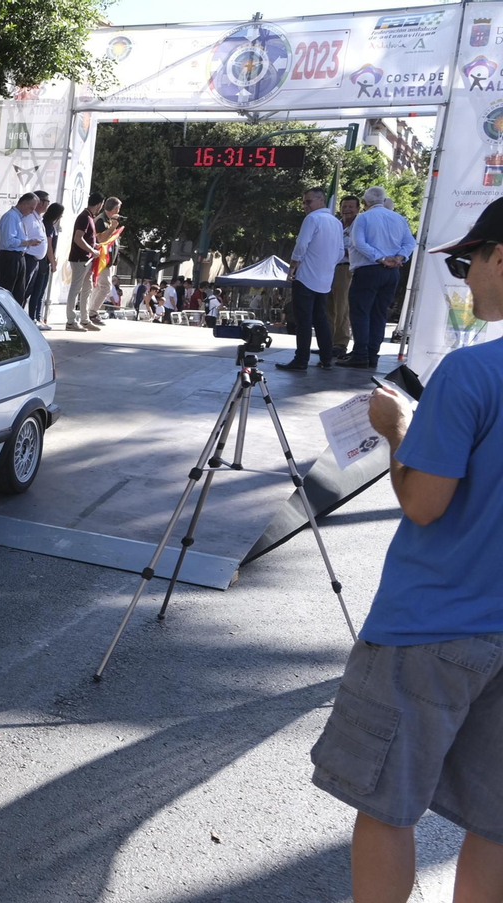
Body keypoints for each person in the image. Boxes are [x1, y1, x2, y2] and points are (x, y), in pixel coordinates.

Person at [309, 197, 503, 903]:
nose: (464, 278)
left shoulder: (470, 373)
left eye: (466, 260)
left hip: (430, 625)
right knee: (496, 824)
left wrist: (397, 428)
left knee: (386, 806)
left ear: (501, 256)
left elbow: (424, 501)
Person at [343, 185, 417, 369]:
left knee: (361, 312)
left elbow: (358, 243)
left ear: (365, 202)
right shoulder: (399, 218)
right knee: (379, 314)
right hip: (392, 272)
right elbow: (410, 242)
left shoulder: (363, 218)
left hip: (368, 269)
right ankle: (372, 355)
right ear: (384, 200)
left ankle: (360, 354)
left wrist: (381, 258)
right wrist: (398, 257)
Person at [278, 186, 344, 371]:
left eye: (308, 202)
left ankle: (301, 360)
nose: (305, 206)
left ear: (321, 200)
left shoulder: (312, 219)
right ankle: (326, 358)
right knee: (321, 319)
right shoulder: (336, 223)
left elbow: (301, 246)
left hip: (306, 277)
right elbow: (340, 252)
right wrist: (327, 266)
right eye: (304, 203)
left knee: (304, 321)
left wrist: (292, 267)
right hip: (324, 279)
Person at [63, 192, 103, 331]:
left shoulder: (89, 217)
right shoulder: (84, 217)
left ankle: (84, 319)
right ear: (99, 204)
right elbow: (78, 238)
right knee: (76, 289)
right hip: (81, 259)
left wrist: (93, 248)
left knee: (87, 289)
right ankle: (71, 321)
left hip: (87, 259)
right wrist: (92, 250)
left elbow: (84, 238)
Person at [83, 197, 125, 328]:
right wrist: (113, 227)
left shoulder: (108, 220)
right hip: (101, 259)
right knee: (105, 287)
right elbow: (101, 239)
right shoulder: (101, 220)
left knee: (100, 287)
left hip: (107, 260)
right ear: (115, 209)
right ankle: (92, 313)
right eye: (118, 208)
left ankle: (91, 312)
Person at [330, 195, 360, 358]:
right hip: (328, 267)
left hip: (346, 268)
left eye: (350, 207)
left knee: (342, 307)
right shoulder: (336, 224)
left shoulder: (359, 226)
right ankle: (327, 342)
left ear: (357, 209)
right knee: (328, 307)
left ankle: (340, 344)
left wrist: (341, 251)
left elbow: (358, 248)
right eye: (344, 206)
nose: (346, 210)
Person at [0, 193, 39, 312]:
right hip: (10, 258)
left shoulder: (19, 218)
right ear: (24, 203)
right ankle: (5, 319)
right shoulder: (11, 216)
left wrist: (28, 243)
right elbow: (8, 241)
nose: (32, 212)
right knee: (7, 292)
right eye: (31, 208)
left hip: (19, 257)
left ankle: (14, 321)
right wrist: (28, 242)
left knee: (19, 294)